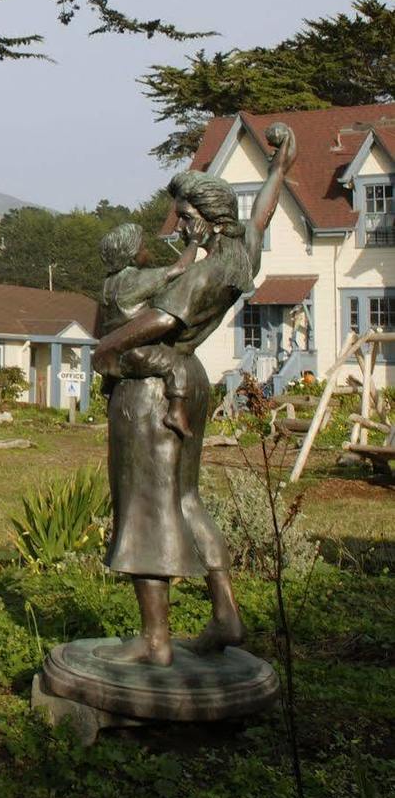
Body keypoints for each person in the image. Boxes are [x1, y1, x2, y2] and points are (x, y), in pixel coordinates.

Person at [92, 123, 298, 665]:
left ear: (210, 218)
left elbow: (160, 319)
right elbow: (262, 216)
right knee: (186, 500)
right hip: (192, 381)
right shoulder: (239, 256)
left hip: (153, 389)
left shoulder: (203, 274)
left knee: (142, 507)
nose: (180, 226)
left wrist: (104, 348)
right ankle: (226, 614)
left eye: (186, 217)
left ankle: (155, 641)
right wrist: (278, 169)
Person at [98, 222, 198, 438]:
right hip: (137, 351)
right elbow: (179, 268)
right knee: (175, 365)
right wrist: (194, 242)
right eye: (143, 247)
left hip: (113, 357)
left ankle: (108, 388)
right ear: (132, 254)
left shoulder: (108, 284)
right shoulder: (134, 279)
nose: (147, 251)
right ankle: (176, 412)